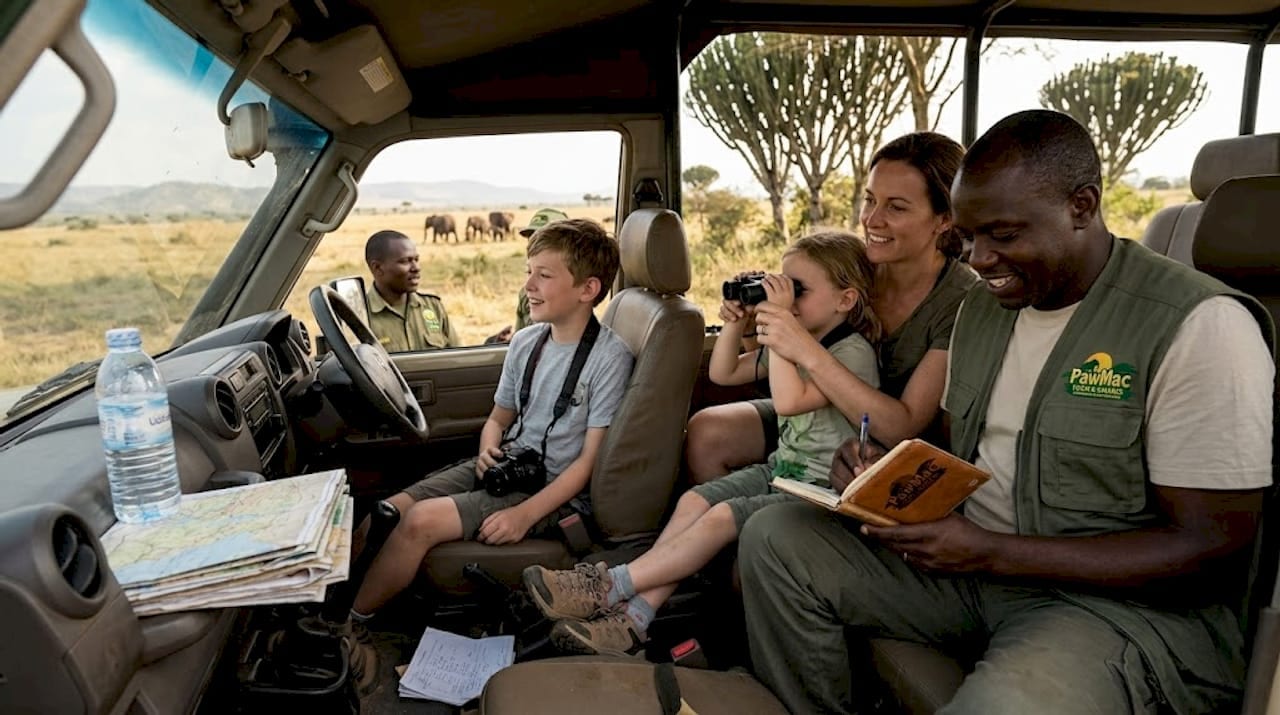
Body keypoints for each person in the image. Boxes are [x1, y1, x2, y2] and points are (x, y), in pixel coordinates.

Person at [738, 109, 1275, 714]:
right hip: (972, 572)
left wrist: (992, 551)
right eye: (967, 237)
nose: (980, 258)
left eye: (1004, 234)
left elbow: (1211, 550)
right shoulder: (984, 311)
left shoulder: (1198, 326)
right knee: (774, 537)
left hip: (1111, 609)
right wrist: (881, 470)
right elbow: (950, 445)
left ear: (1082, 206)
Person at [523, 231, 882, 656]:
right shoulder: (800, 342)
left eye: (796, 291)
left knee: (719, 518)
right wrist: (736, 324)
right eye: (779, 285)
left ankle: (609, 585)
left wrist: (779, 324)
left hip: (823, 493)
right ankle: (633, 621)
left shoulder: (849, 352)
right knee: (695, 503)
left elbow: (787, 400)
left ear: (846, 300)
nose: (784, 298)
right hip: (784, 472)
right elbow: (724, 373)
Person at [350, 218, 634, 622]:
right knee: (386, 511)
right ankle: (329, 598)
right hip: (509, 463)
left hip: (554, 486)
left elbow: (588, 463)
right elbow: (498, 420)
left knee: (420, 521)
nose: (528, 286)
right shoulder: (526, 342)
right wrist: (488, 450)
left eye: (544, 275)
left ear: (588, 289)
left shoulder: (608, 358)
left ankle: (352, 625)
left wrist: (525, 514)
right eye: (528, 273)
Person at [686, 132, 978, 482]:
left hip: (884, 443)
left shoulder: (959, 299)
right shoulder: (852, 266)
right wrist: (751, 325)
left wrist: (802, 346)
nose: (872, 220)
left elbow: (904, 427)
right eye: (870, 200)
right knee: (707, 433)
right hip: (820, 412)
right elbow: (775, 370)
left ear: (944, 218)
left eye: (896, 207)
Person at [364, 230, 461, 352]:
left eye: (416, 260)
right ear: (377, 268)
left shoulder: (432, 307)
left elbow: (458, 360)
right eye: (405, 261)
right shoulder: (361, 317)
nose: (416, 268)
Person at [515, 208, 570, 330]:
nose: (534, 248)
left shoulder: (569, 296)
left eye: (544, 242)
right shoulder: (526, 294)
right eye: (532, 240)